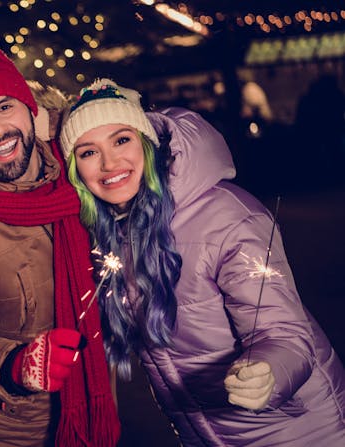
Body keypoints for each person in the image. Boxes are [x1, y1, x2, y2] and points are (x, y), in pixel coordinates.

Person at [59, 78, 345, 446]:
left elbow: (284, 333)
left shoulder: (224, 216)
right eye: (87, 152)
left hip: (295, 430)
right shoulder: (112, 230)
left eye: (121, 139)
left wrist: (269, 371)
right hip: (203, 432)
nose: (109, 162)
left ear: (147, 142)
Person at [0, 29, 120, 447]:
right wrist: (15, 366)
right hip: (10, 430)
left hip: (95, 405)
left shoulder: (80, 171)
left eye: (4, 107)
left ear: (30, 109)